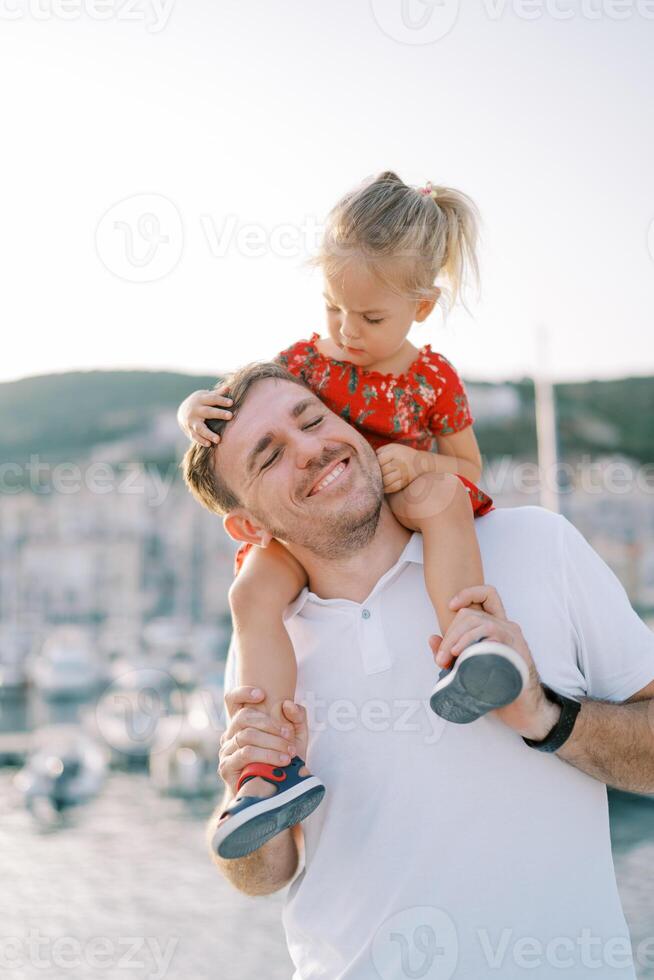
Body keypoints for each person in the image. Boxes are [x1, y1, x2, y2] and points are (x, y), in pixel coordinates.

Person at [183, 362, 654, 979]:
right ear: (249, 528)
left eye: (314, 420)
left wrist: (545, 714)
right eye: (269, 458)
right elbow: (263, 875)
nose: (311, 449)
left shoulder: (538, 546)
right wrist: (240, 790)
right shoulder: (267, 644)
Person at [178, 173, 528, 855]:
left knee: (445, 500)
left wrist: (419, 463)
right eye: (335, 309)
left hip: (401, 492)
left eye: (370, 319)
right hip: (322, 521)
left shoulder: (433, 381)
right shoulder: (306, 362)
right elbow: (240, 404)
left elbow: (469, 467)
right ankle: (265, 765)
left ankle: (470, 642)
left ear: (421, 308)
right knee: (251, 589)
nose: (346, 331)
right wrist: (191, 408)